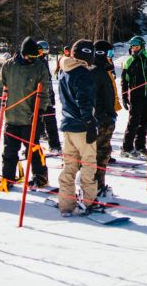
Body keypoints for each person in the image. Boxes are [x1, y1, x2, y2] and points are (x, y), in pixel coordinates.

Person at [0, 37, 52, 191]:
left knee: (33, 149)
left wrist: (40, 111)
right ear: (22, 53)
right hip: (12, 117)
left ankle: (40, 176)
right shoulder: (9, 66)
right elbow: (0, 87)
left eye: (35, 57)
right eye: (30, 57)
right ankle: (8, 177)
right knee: (9, 151)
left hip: (29, 118)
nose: (32, 60)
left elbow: (45, 92)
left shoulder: (39, 67)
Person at [57, 40, 100, 216]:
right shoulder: (82, 73)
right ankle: (88, 201)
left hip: (68, 125)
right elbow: (84, 100)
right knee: (89, 164)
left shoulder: (64, 70)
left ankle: (66, 203)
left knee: (69, 165)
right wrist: (89, 122)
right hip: (82, 127)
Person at [92, 40, 120, 195]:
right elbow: (95, 97)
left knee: (104, 151)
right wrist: (103, 115)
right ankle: (95, 184)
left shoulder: (105, 70)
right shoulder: (96, 71)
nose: (111, 57)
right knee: (100, 152)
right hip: (100, 120)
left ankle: (98, 183)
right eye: (110, 54)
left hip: (107, 117)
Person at [120, 36, 147, 157]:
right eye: (133, 47)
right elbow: (124, 81)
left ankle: (140, 145)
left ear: (142, 46)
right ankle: (126, 147)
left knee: (145, 122)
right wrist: (124, 97)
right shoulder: (129, 61)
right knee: (133, 121)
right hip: (136, 95)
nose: (135, 49)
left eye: (137, 46)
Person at [37, 40, 62, 154]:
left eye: (45, 51)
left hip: (46, 96)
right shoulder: (35, 62)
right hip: (38, 96)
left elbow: (48, 81)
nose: (43, 53)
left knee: (50, 120)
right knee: (35, 122)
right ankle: (33, 146)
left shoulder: (43, 61)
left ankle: (55, 145)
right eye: (41, 51)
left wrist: (51, 96)